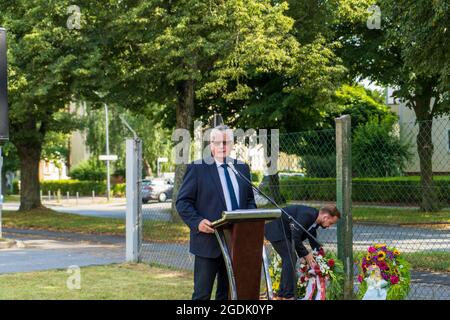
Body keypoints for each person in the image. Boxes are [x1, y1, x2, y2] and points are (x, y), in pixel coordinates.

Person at [176, 125, 257, 300]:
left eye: (226, 142)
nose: (222, 146)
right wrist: (197, 222)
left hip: (236, 242)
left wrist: (249, 220)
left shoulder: (242, 169)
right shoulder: (198, 168)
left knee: (227, 294)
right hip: (208, 242)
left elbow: (250, 200)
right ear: (211, 145)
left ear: (233, 144)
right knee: (202, 295)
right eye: (217, 142)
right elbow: (182, 202)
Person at [264, 204, 340, 300]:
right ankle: (288, 295)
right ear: (325, 217)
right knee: (290, 258)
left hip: (283, 233)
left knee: (289, 258)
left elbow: (312, 239)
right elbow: (295, 236)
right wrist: (306, 255)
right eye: (331, 222)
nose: (329, 226)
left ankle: (282, 294)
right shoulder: (308, 215)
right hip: (276, 229)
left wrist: (320, 255)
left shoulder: (314, 221)